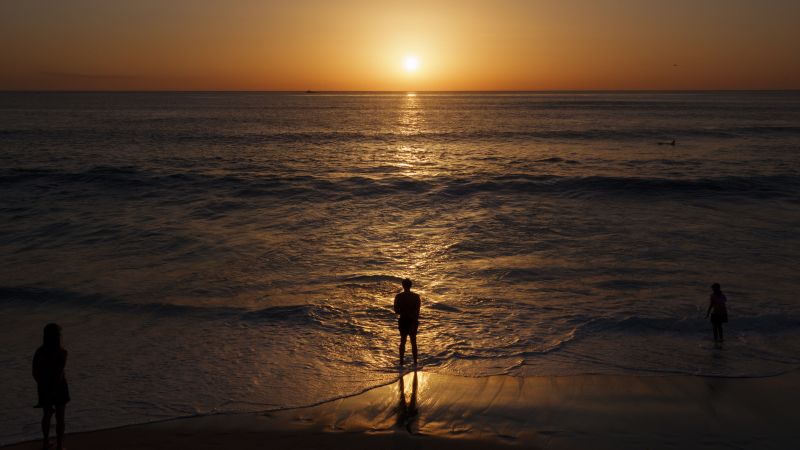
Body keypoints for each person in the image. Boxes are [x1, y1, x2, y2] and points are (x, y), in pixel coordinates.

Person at [33, 323, 70, 450]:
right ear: (57, 336)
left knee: (47, 415)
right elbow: (58, 374)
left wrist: (42, 385)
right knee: (60, 417)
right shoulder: (62, 352)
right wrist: (53, 390)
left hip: (44, 386)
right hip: (59, 387)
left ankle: (45, 443)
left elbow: (35, 372)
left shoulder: (39, 352)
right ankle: (59, 446)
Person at [393, 278, 421, 366]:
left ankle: (401, 362)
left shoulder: (398, 296)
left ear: (403, 286)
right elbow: (417, 311)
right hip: (413, 320)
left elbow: (396, 310)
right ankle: (415, 362)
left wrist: (404, 311)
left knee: (403, 341)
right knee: (413, 341)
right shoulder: (416, 296)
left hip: (403, 320)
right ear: (410, 286)